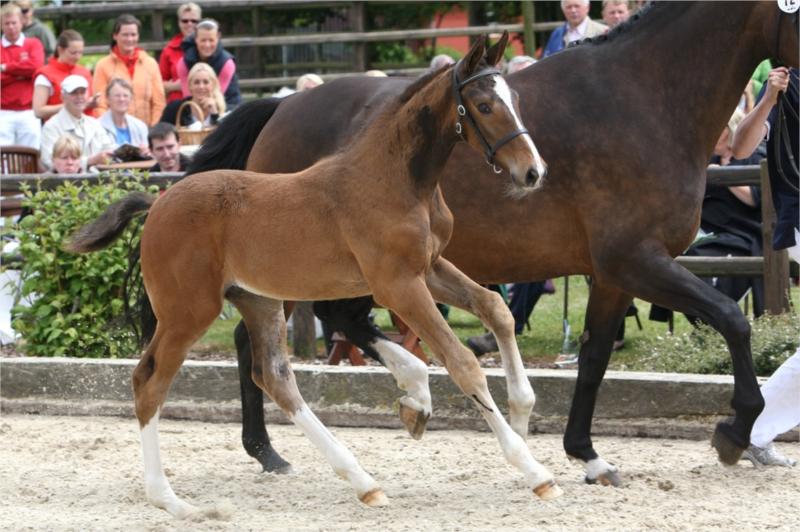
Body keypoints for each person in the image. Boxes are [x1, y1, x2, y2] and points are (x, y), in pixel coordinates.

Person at [731, 66, 799, 468]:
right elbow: (741, 148)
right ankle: (751, 428)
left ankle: (750, 429)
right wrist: (769, 98)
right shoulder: (785, 85)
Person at [93, 14, 165, 126]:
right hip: (114, 132)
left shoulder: (151, 64)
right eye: (125, 35)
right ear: (115, 36)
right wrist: (110, 129)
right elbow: (100, 105)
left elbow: (159, 103)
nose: (130, 39)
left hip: (147, 132)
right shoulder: (102, 65)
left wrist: (153, 129)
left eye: (133, 35)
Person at [40, 74, 115, 171]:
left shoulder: (94, 123)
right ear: (62, 97)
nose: (79, 96)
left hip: (99, 181)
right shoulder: (51, 126)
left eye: (82, 92)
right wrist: (89, 161)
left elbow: (109, 150)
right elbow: (48, 162)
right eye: (74, 93)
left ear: (88, 95)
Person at [0, 2, 44, 149]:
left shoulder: (33, 44)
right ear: (1, 25)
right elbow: (29, 69)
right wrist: (22, 74)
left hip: (28, 111)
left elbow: (36, 67)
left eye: (14, 22)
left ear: (22, 23)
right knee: (3, 159)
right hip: (3, 111)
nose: (11, 27)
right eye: (7, 23)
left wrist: (5, 67)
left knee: (30, 155)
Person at [32, 29, 97, 121]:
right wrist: (71, 106)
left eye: (80, 52)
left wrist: (93, 102)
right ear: (60, 50)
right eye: (73, 53)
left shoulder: (84, 72)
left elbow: (90, 101)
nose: (77, 57)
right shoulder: (45, 75)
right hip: (58, 129)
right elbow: (38, 111)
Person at [177, 18, 241, 109]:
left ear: (218, 37)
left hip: (227, 105)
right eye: (203, 40)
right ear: (196, 38)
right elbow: (189, 97)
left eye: (211, 40)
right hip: (194, 106)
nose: (207, 45)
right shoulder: (183, 63)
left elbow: (217, 98)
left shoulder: (227, 64)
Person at [159, 2, 202, 103]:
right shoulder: (169, 50)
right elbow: (158, 84)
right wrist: (175, 86)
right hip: (177, 105)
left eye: (194, 21)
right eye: (185, 21)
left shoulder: (207, 47)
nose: (189, 24)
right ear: (179, 22)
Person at [160, 62, 225, 127]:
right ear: (190, 86)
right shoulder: (175, 108)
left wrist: (214, 114)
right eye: (196, 82)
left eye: (206, 82)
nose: (201, 87)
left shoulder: (220, 109)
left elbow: (225, 135)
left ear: (213, 85)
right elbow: (160, 133)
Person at [98, 78, 150, 152]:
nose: (122, 99)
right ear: (108, 98)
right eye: (117, 96)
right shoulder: (97, 126)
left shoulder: (140, 126)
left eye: (125, 96)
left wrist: (146, 152)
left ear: (131, 98)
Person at [543, 0, 607, 58]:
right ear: (563, 10)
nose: (573, 10)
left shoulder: (603, 31)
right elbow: (547, 60)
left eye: (577, 6)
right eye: (569, 7)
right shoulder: (557, 34)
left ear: (587, 7)